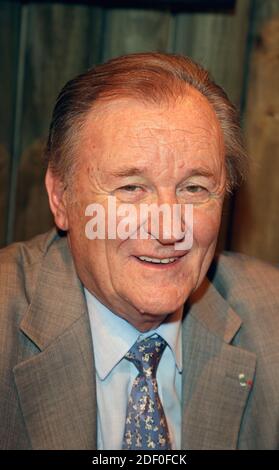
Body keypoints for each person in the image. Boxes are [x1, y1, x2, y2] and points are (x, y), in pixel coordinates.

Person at [0, 52, 279, 451]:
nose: (168, 230)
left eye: (194, 188)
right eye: (131, 188)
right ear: (61, 197)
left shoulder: (273, 322)